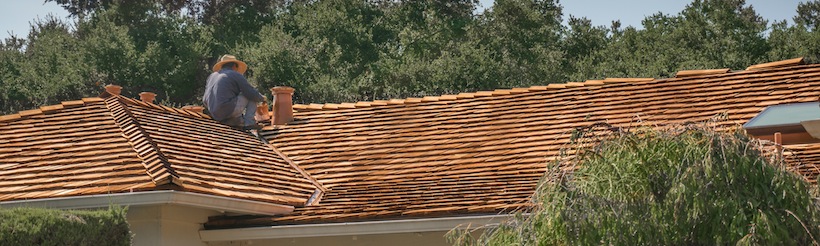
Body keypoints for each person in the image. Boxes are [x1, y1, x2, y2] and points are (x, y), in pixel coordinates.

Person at [203, 55, 266, 129]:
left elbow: (205, 100)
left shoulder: (211, 76)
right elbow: (250, 92)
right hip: (226, 110)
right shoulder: (235, 74)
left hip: (214, 114)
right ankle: (250, 123)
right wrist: (262, 98)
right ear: (234, 66)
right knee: (251, 96)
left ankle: (232, 119)